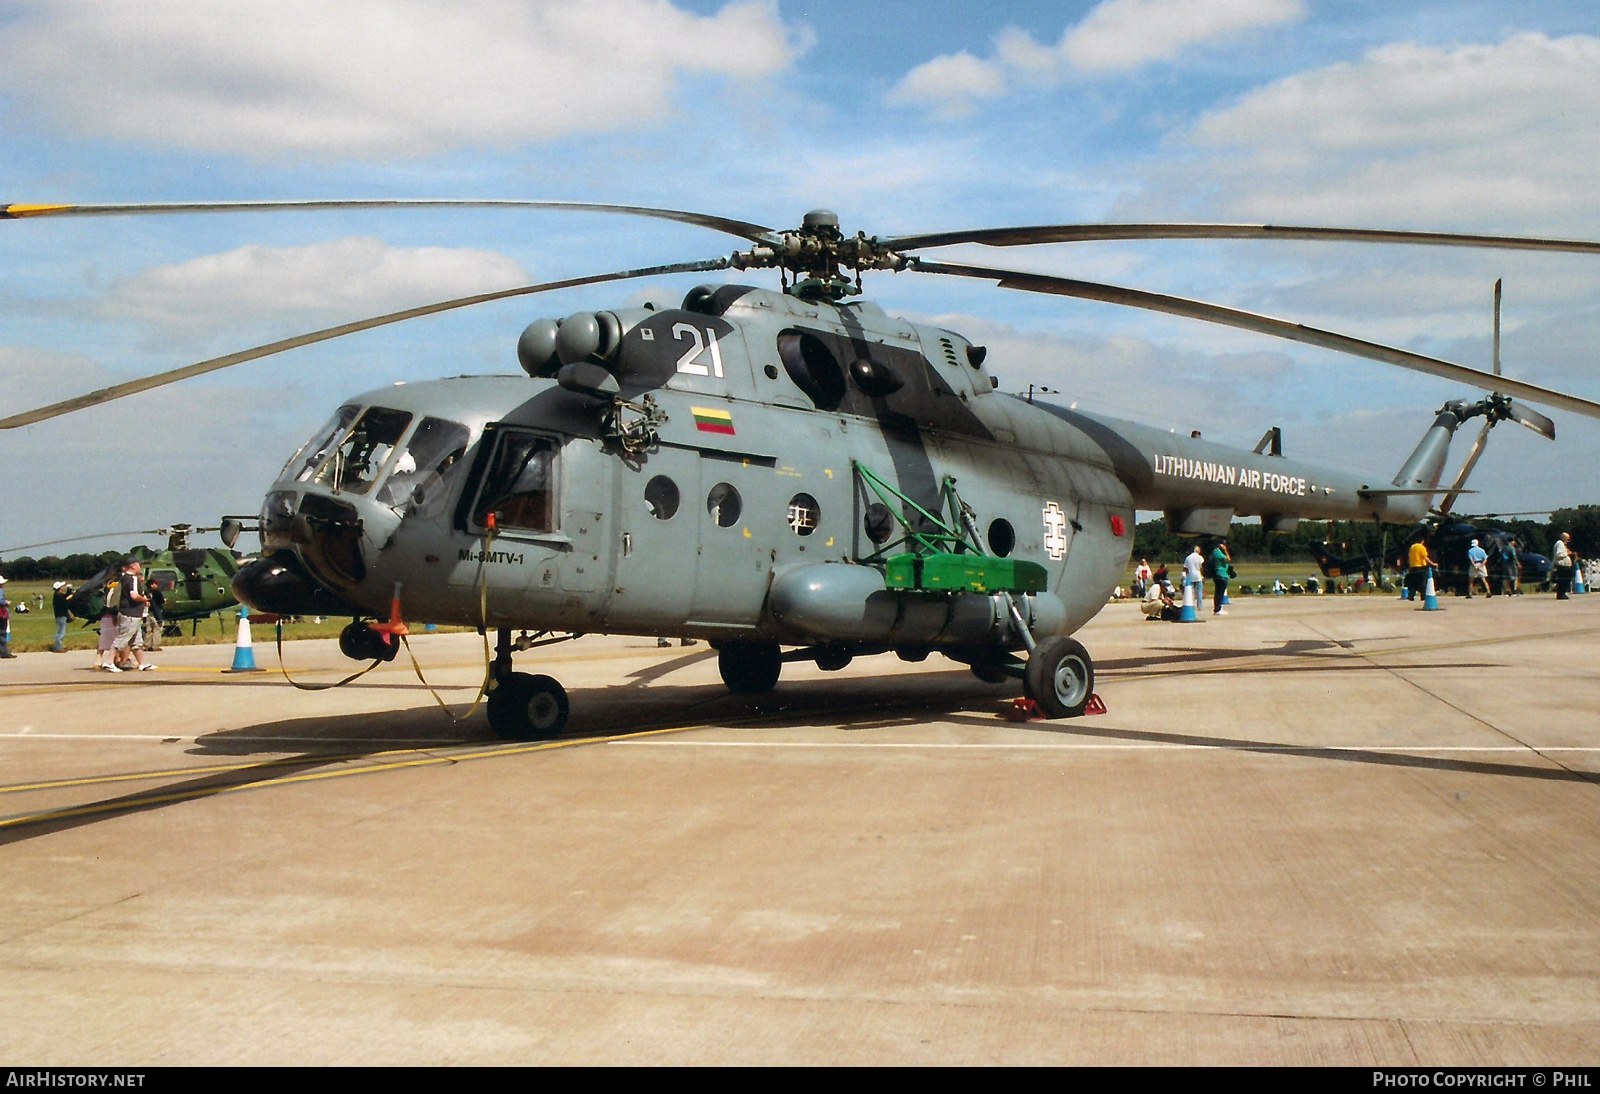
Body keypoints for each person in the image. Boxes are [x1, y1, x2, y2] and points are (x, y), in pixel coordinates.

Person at [110, 558, 154, 672]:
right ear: (133, 566)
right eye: (140, 565)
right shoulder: (132, 579)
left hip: (131, 613)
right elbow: (134, 595)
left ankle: (142, 663)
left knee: (136, 641)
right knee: (122, 639)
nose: (141, 568)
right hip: (131, 614)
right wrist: (144, 599)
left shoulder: (124, 578)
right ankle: (109, 662)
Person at [1210, 539, 1232, 615]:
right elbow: (1228, 559)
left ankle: (1217, 608)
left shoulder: (1215, 552)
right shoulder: (1218, 553)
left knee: (1218, 593)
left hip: (1219, 574)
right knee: (1220, 593)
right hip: (1221, 575)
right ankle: (1218, 609)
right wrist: (1225, 551)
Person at [1553, 532, 1577, 599]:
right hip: (1562, 565)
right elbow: (1558, 554)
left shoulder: (1562, 544)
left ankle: (1562, 593)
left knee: (1565, 580)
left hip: (1565, 565)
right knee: (1563, 580)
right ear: (1564, 538)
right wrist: (1567, 553)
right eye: (1567, 539)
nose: (1568, 541)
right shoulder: (1560, 543)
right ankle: (1561, 594)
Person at [51, 581, 72, 653]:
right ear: (59, 588)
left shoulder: (59, 595)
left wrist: (69, 590)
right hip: (61, 616)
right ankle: (58, 648)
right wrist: (70, 596)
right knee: (60, 633)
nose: (63, 587)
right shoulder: (57, 596)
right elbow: (65, 602)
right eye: (62, 587)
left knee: (61, 632)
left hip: (61, 616)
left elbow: (65, 596)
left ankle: (59, 647)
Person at [1184, 544, 1205, 609]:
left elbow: (1185, 568)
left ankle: (1191, 604)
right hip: (1198, 576)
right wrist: (1203, 575)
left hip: (1190, 576)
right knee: (1199, 592)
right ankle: (1199, 606)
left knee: (1191, 592)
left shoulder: (1188, 558)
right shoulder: (1200, 557)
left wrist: (1187, 575)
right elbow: (1201, 567)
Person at [0, 577, 14, 659]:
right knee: (3, 633)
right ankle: (4, 652)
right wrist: (6, 602)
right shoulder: (0, 590)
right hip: (1, 614)